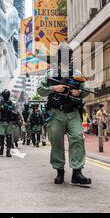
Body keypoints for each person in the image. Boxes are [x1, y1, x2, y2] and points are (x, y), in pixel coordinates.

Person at [37, 46, 92, 186]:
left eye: (70, 56)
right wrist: (54, 88)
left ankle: (77, 173)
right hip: (56, 114)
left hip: (73, 113)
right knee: (56, 142)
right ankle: (59, 171)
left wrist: (79, 92)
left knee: (78, 138)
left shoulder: (77, 73)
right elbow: (40, 90)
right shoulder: (51, 74)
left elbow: (87, 90)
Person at [0, 89, 18, 157]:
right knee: (1, 135)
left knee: (9, 136)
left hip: (9, 122)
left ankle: (8, 151)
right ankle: (2, 147)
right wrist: (0, 108)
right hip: (2, 121)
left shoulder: (11, 103)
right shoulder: (0, 102)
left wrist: (9, 110)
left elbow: (15, 113)